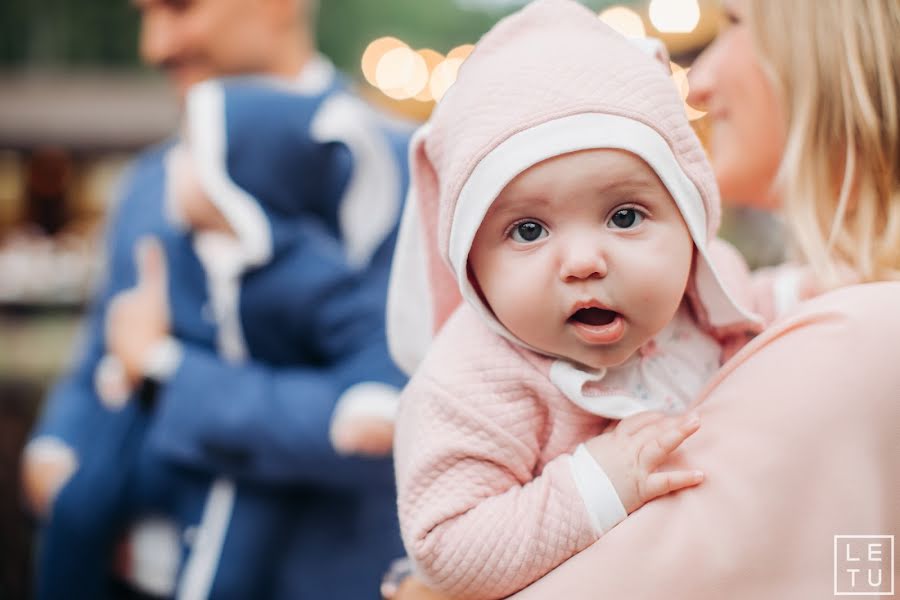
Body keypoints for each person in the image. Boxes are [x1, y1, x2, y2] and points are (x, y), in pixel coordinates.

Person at [391, 0, 900, 597]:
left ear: (688, 225)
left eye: (625, 215)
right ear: (469, 263)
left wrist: (807, 291)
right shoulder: (475, 385)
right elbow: (444, 545)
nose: (583, 261)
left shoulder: (705, 292)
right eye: (527, 230)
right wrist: (592, 487)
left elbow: (751, 307)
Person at [21, 0, 411, 597]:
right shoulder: (151, 179)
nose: (154, 46)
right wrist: (54, 456)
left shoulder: (393, 171)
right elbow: (103, 345)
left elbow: (398, 415)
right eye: (144, 15)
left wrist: (165, 373)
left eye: (180, 7)